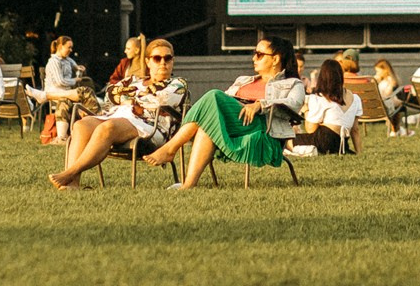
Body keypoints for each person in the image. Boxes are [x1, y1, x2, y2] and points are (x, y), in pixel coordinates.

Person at [155, 33, 302, 190]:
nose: (254, 59)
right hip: (235, 124)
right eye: (254, 54)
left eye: (259, 55)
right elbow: (220, 104)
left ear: (275, 59)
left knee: (214, 95)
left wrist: (260, 105)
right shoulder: (244, 80)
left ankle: (170, 148)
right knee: (207, 125)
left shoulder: (293, 83)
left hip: (263, 129)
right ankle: (188, 184)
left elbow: (294, 104)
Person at [49, 39, 187, 189]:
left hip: (150, 127)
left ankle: (70, 173)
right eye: (157, 58)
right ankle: (72, 185)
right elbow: (110, 93)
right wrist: (137, 97)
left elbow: (159, 100)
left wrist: (127, 97)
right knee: (81, 125)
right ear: (148, 62)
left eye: (167, 58)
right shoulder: (133, 81)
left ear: (172, 61)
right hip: (118, 117)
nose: (163, 62)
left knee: (108, 128)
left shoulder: (177, 84)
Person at [289, 57, 360, 156]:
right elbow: (355, 129)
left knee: (288, 140)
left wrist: (306, 110)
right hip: (341, 143)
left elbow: (310, 129)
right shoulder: (355, 98)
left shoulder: (320, 98)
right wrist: (359, 152)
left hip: (323, 141)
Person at [27, 34, 88, 145]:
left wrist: (78, 67)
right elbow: (60, 82)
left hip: (65, 91)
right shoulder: (54, 62)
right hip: (56, 91)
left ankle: (80, 133)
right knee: (65, 100)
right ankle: (62, 137)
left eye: (71, 47)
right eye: (68, 47)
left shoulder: (67, 60)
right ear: (60, 47)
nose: (71, 50)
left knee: (79, 99)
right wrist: (75, 80)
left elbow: (72, 63)